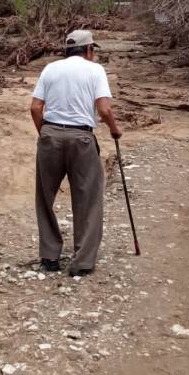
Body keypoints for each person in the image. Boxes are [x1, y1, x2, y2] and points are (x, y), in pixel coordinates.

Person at [29, 29, 122, 277]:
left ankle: (49, 257)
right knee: (88, 199)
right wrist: (115, 130)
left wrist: (45, 135)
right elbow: (103, 109)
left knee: (45, 197)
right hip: (81, 137)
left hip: (50, 135)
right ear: (89, 50)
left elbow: (36, 108)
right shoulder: (95, 70)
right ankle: (82, 262)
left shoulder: (50, 69)